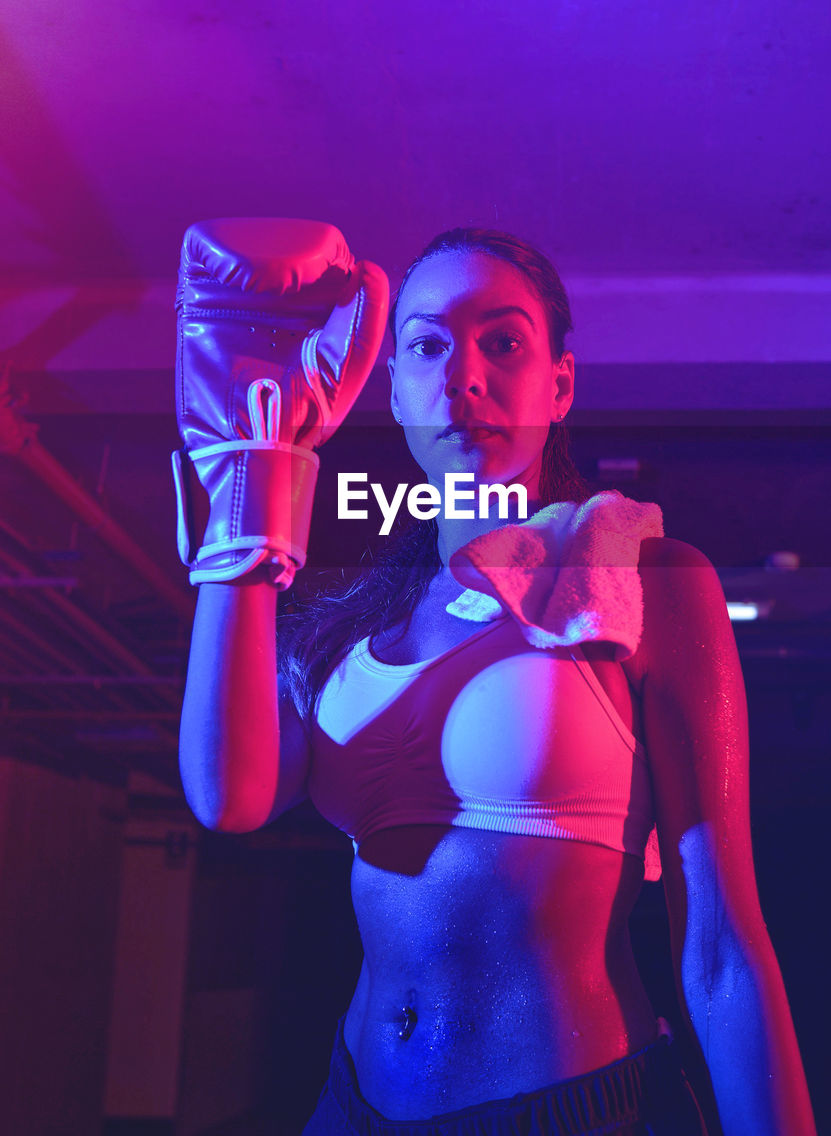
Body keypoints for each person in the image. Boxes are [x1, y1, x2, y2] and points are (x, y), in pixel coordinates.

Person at [174, 221, 816, 1135]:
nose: (462, 376)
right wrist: (250, 471)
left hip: (570, 1109)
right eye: (428, 344)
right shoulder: (355, 624)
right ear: (391, 386)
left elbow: (720, 949)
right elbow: (226, 796)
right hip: (349, 1105)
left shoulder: (639, 578)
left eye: (501, 341)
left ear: (557, 385)